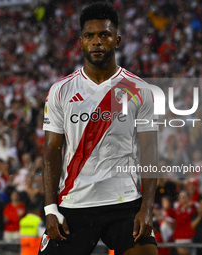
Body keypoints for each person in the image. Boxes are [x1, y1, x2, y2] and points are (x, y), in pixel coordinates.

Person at [39, 2, 158, 255]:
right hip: (74, 202)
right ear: (81, 42)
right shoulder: (61, 91)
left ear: (117, 40)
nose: (97, 41)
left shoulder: (140, 90)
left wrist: (147, 207)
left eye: (104, 34)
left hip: (125, 202)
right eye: (90, 36)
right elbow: (51, 151)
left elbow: (150, 152)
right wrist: (50, 208)